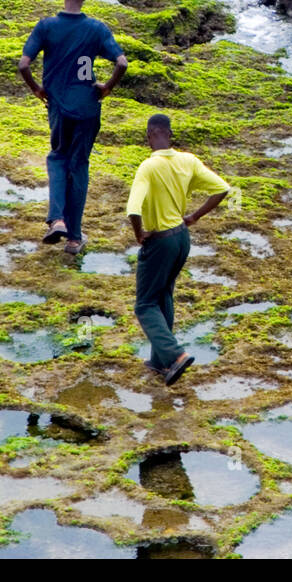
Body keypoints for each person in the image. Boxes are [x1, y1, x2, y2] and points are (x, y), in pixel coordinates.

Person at [18, 0, 128, 254]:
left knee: (58, 158)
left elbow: (23, 65)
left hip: (59, 106)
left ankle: (57, 219)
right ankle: (74, 239)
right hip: (89, 107)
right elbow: (121, 62)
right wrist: (107, 87)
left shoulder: (46, 27)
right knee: (79, 166)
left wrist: (37, 90)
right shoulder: (96, 29)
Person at [126, 113, 229, 386]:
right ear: (169, 135)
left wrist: (139, 234)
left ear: (149, 136)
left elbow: (133, 209)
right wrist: (194, 217)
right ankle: (160, 361)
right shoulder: (188, 160)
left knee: (145, 304)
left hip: (160, 241)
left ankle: (174, 356)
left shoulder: (148, 167)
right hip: (182, 238)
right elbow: (222, 188)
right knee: (163, 296)